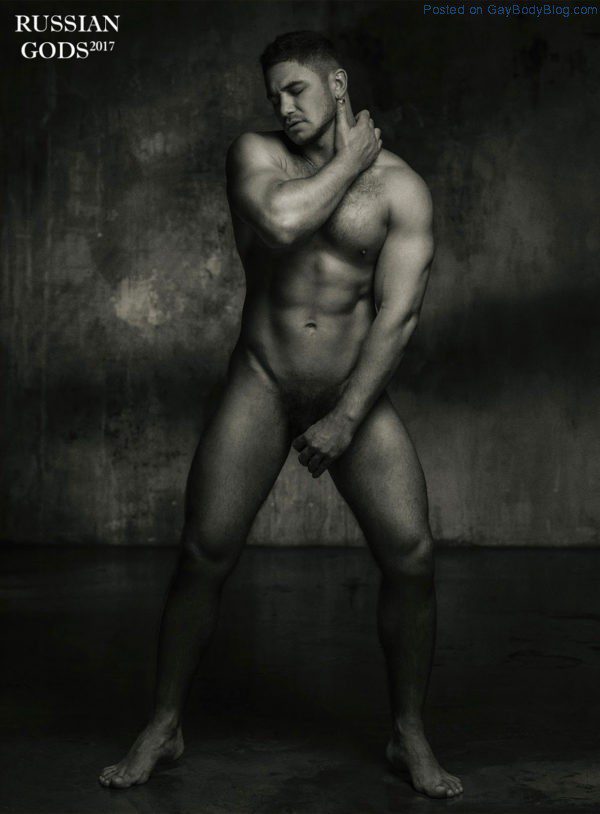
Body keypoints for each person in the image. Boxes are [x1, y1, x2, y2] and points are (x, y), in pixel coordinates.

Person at [99, 30, 463, 799]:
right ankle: (163, 724)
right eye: (274, 96)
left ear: (338, 85)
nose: (284, 106)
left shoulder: (402, 189)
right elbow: (284, 223)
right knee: (203, 553)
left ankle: (408, 732)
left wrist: (347, 417)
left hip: (348, 389)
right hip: (261, 380)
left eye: (297, 89)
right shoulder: (255, 156)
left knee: (413, 557)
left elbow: (397, 317)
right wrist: (349, 161)